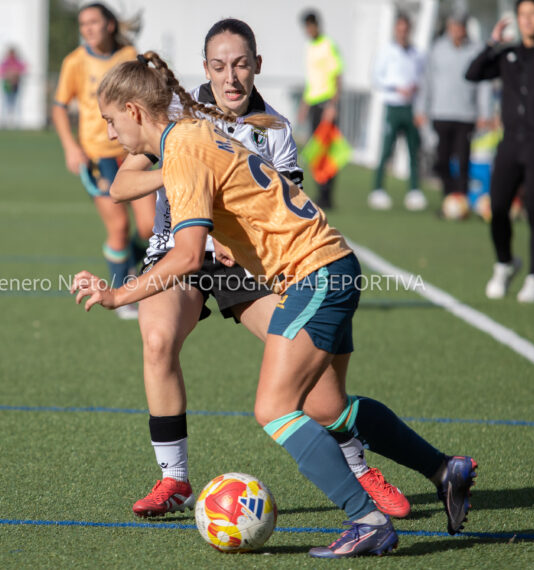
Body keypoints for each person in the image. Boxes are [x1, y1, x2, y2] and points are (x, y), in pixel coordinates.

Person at [72, 51, 478, 558]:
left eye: (111, 121)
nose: (110, 133)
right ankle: (444, 470)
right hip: (329, 266)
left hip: (315, 275)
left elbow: (186, 256)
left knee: (274, 409)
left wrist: (118, 294)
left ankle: (366, 520)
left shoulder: (184, 149)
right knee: (327, 406)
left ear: (134, 111)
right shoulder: (192, 136)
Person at [109, 19, 409, 521]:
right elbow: (121, 186)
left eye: (241, 65)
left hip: (245, 262)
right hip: (179, 251)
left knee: (312, 378)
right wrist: (185, 173)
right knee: (157, 340)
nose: (230, 77)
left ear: (257, 66)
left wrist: (226, 219)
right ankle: (174, 478)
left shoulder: (275, 127)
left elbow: (284, 206)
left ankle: (358, 467)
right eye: (219, 66)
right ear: (205, 68)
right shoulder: (176, 114)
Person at [466, 0, 534, 303]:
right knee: (498, 207)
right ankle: (505, 263)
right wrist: (492, 43)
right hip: (511, 142)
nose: (527, 20)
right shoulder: (509, 54)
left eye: (533, 14)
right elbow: (473, 73)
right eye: (522, 14)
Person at [52, 2, 155, 320]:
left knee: (150, 226)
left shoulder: (129, 56)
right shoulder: (75, 62)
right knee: (119, 226)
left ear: (109, 25)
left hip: (133, 151)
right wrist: (71, 147)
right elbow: (59, 106)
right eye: (83, 24)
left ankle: (127, 265)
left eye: (93, 22)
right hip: (98, 156)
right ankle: (123, 296)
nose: (87, 29)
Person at [415, 11, 493, 204]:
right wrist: (420, 108)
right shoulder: (437, 49)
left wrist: (485, 112)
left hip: (466, 114)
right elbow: (427, 81)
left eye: (460, 26)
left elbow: (484, 84)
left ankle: (462, 199)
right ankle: (449, 197)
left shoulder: (476, 49)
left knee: (463, 160)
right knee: (442, 160)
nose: (457, 30)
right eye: (454, 26)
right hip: (441, 112)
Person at [369, 13, 426, 211]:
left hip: (411, 108)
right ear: (395, 30)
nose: (403, 33)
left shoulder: (416, 53)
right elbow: (376, 78)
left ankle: (414, 190)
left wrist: (416, 89)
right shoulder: (386, 51)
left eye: (406, 30)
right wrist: (396, 87)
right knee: (387, 150)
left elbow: (422, 78)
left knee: (413, 150)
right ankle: (377, 189)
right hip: (393, 106)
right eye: (400, 29)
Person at [298, 10, 344, 209]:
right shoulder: (309, 47)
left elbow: (337, 75)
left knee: (327, 150)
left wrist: (333, 105)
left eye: (310, 26)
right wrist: (304, 105)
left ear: (317, 25)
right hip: (314, 103)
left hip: (327, 103)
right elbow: (312, 80)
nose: (308, 30)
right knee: (316, 150)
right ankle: (321, 191)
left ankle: (327, 194)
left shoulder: (328, 45)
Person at [0, 47, 27, 129]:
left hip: (16, 85)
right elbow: (0, 72)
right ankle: (3, 123)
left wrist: (15, 74)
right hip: (7, 85)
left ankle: (17, 123)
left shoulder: (17, 62)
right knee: (5, 104)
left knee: (16, 104)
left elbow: (23, 69)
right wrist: (9, 75)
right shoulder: (5, 62)